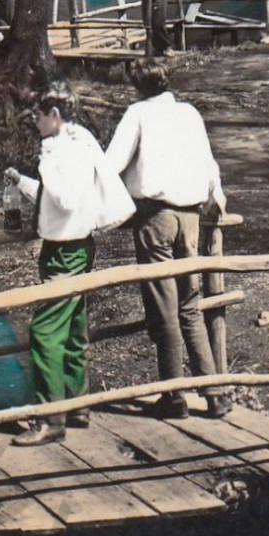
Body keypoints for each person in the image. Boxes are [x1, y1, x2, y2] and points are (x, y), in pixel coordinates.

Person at [3, 89, 133, 446]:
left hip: (65, 249)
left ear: (55, 114)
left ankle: (49, 419)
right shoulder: (83, 141)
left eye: (40, 117)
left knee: (45, 332)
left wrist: (43, 168)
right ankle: (77, 405)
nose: (36, 124)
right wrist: (22, 181)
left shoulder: (63, 150)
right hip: (77, 246)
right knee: (74, 326)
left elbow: (65, 199)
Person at [104, 61, 230, 420]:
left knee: (164, 308)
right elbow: (209, 165)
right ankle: (216, 394)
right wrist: (215, 198)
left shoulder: (137, 114)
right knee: (190, 304)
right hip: (190, 218)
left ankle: (173, 396)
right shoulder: (189, 113)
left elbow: (111, 164)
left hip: (156, 217)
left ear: (137, 87)